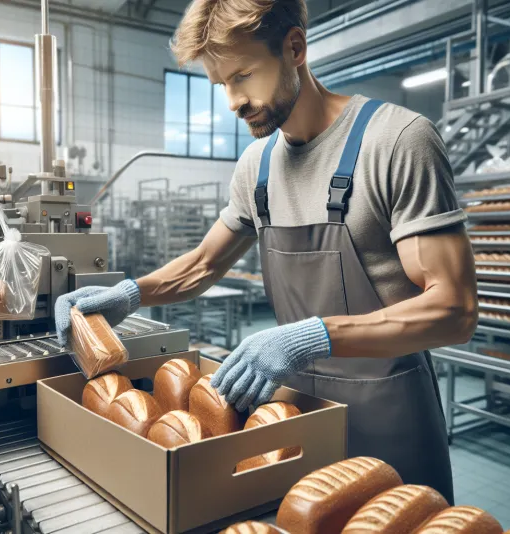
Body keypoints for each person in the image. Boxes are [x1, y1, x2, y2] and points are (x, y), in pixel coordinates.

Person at [53, 0, 476, 504]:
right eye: (221, 84)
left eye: (244, 75)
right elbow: (205, 263)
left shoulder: (397, 141)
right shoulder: (257, 165)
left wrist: (309, 336)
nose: (233, 100)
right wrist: (128, 295)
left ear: (295, 47)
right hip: (290, 422)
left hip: (389, 427)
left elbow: (454, 309)